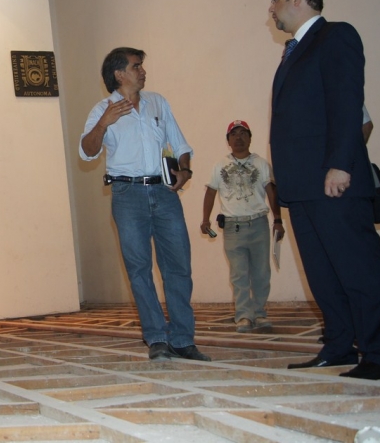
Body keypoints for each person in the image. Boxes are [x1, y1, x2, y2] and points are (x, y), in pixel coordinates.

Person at [268, 0, 380, 379]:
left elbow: (347, 103)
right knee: (323, 273)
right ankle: (340, 344)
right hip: (302, 185)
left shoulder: (335, 36)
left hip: (332, 179)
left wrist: (342, 163)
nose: (270, 7)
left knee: (358, 267)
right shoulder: (295, 49)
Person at [79, 47, 210, 362]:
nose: (143, 71)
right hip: (127, 195)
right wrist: (103, 124)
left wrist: (185, 169)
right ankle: (157, 339)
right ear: (119, 74)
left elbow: (180, 144)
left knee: (178, 267)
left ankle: (182, 340)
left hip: (164, 193)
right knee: (139, 269)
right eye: (136, 66)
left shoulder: (157, 103)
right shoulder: (102, 109)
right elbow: (86, 151)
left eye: (142, 66)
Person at [200, 120, 285, 333]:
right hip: (233, 228)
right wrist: (205, 220)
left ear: (250, 137)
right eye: (234, 134)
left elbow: (272, 192)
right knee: (238, 274)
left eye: (243, 133)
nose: (239, 138)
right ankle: (243, 316)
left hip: (259, 225)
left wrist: (278, 220)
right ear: (228, 140)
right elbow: (210, 192)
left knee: (261, 272)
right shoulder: (220, 165)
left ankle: (259, 312)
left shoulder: (262, 164)